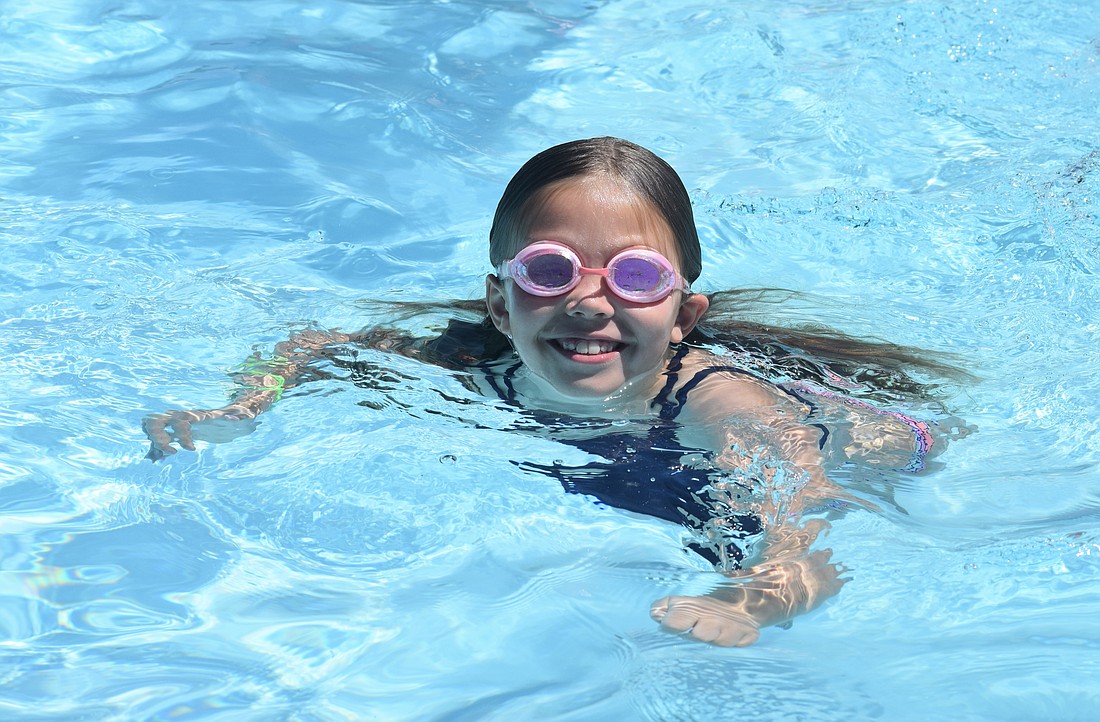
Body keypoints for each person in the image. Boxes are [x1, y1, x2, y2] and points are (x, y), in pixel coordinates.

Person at [144, 137, 968, 647]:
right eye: (550, 270)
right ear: (500, 304)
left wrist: (751, 599)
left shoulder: (728, 408)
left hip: (862, 449)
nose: (588, 300)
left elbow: (810, 530)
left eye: (636, 278)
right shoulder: (471, 361)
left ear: (685, 314)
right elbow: (312, 347)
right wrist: (247, 405)